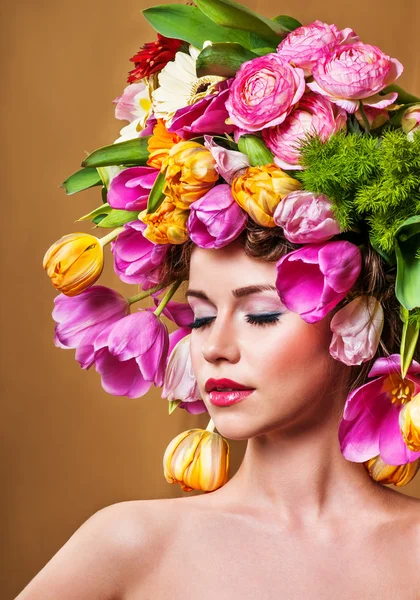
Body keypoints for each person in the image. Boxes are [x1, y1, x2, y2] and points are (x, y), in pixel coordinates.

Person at [19, 1, 420, 597]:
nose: (215, 349)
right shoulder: (131, 544)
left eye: (260, 313)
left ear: (361, 317)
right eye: (202, 316)